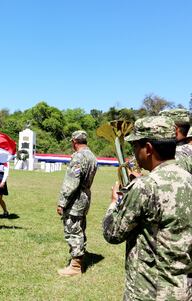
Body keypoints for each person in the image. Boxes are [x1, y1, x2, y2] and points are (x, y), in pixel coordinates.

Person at [103, 116, 192, 300]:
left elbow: (112, 233)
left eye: (136, 146)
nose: (134, 151)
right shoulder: (188, 179)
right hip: (183, 290)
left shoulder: (145, 186)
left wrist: (114, 202)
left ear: (149, 148)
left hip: (149, 292)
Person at [56, 130, 97, 276]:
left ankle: (75, 267)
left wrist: (62, 202)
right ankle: (79, 259)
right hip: (85, 196)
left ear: (74, 141)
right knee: (80, 228)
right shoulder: (91, 156)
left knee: (73, 230)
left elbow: (71, 182)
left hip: (76, 199)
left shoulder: (79, 157)